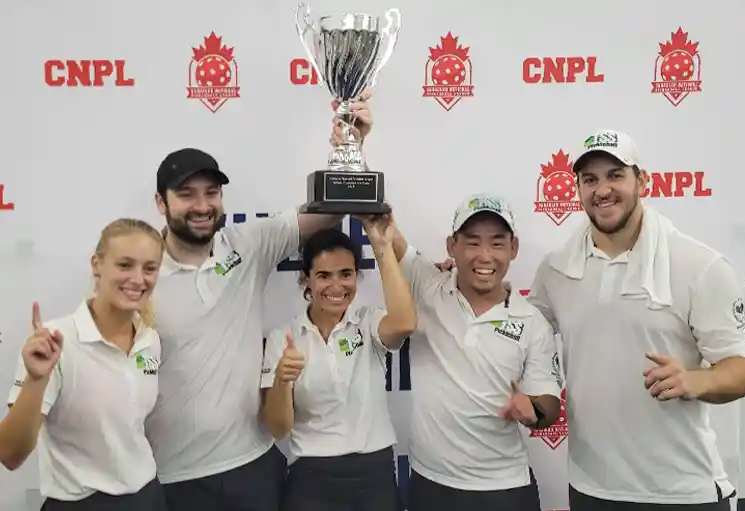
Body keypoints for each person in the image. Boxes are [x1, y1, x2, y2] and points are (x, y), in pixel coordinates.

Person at [145, 95, 374, 511]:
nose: (201, 206)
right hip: (170, 477)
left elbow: (330, 210)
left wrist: (348, 149)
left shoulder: (247, 244)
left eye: (211, 193)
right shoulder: (137, 274)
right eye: (186, 194)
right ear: (161, 203)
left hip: (252, 468)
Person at [528, 129, 745, 510]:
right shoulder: (555, 270)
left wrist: (694, 380)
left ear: (643, 180)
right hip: (590, 489)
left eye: (615, 175)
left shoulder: (699, 266)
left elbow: (743, 371)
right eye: (590, 179)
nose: (602, 189)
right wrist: (459, 279)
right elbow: (522, 329)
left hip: (682, 493)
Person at [388, 194, 562, 511]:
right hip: (430, 484)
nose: (485, 256)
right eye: (472, 242)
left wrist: (533, 409)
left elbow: (549, 403)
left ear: (514, 248)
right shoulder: (428, 285)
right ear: (452, 246)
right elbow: (384, 228)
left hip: (504, 489)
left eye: (497, 243)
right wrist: (355, 152)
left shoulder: (532, 321)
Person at [1, 218, 166, 511]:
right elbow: (10, 453)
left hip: (147, 497)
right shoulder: (55, 343)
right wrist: (36, 380)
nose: (138, 279)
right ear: (96, 264)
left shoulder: (149, 339)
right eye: (125, 265)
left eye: (149, 268)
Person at [260, 214, 416, 511]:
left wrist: (381, 245)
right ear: (305, 278)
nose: (336, 286)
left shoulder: (368, 321)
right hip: (311, 478)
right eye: (323, 276)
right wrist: (282, 380)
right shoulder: (285, 336)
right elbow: (278, 428)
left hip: (375, 474)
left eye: (346, 274)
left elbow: (405, 323)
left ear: (357, 275)